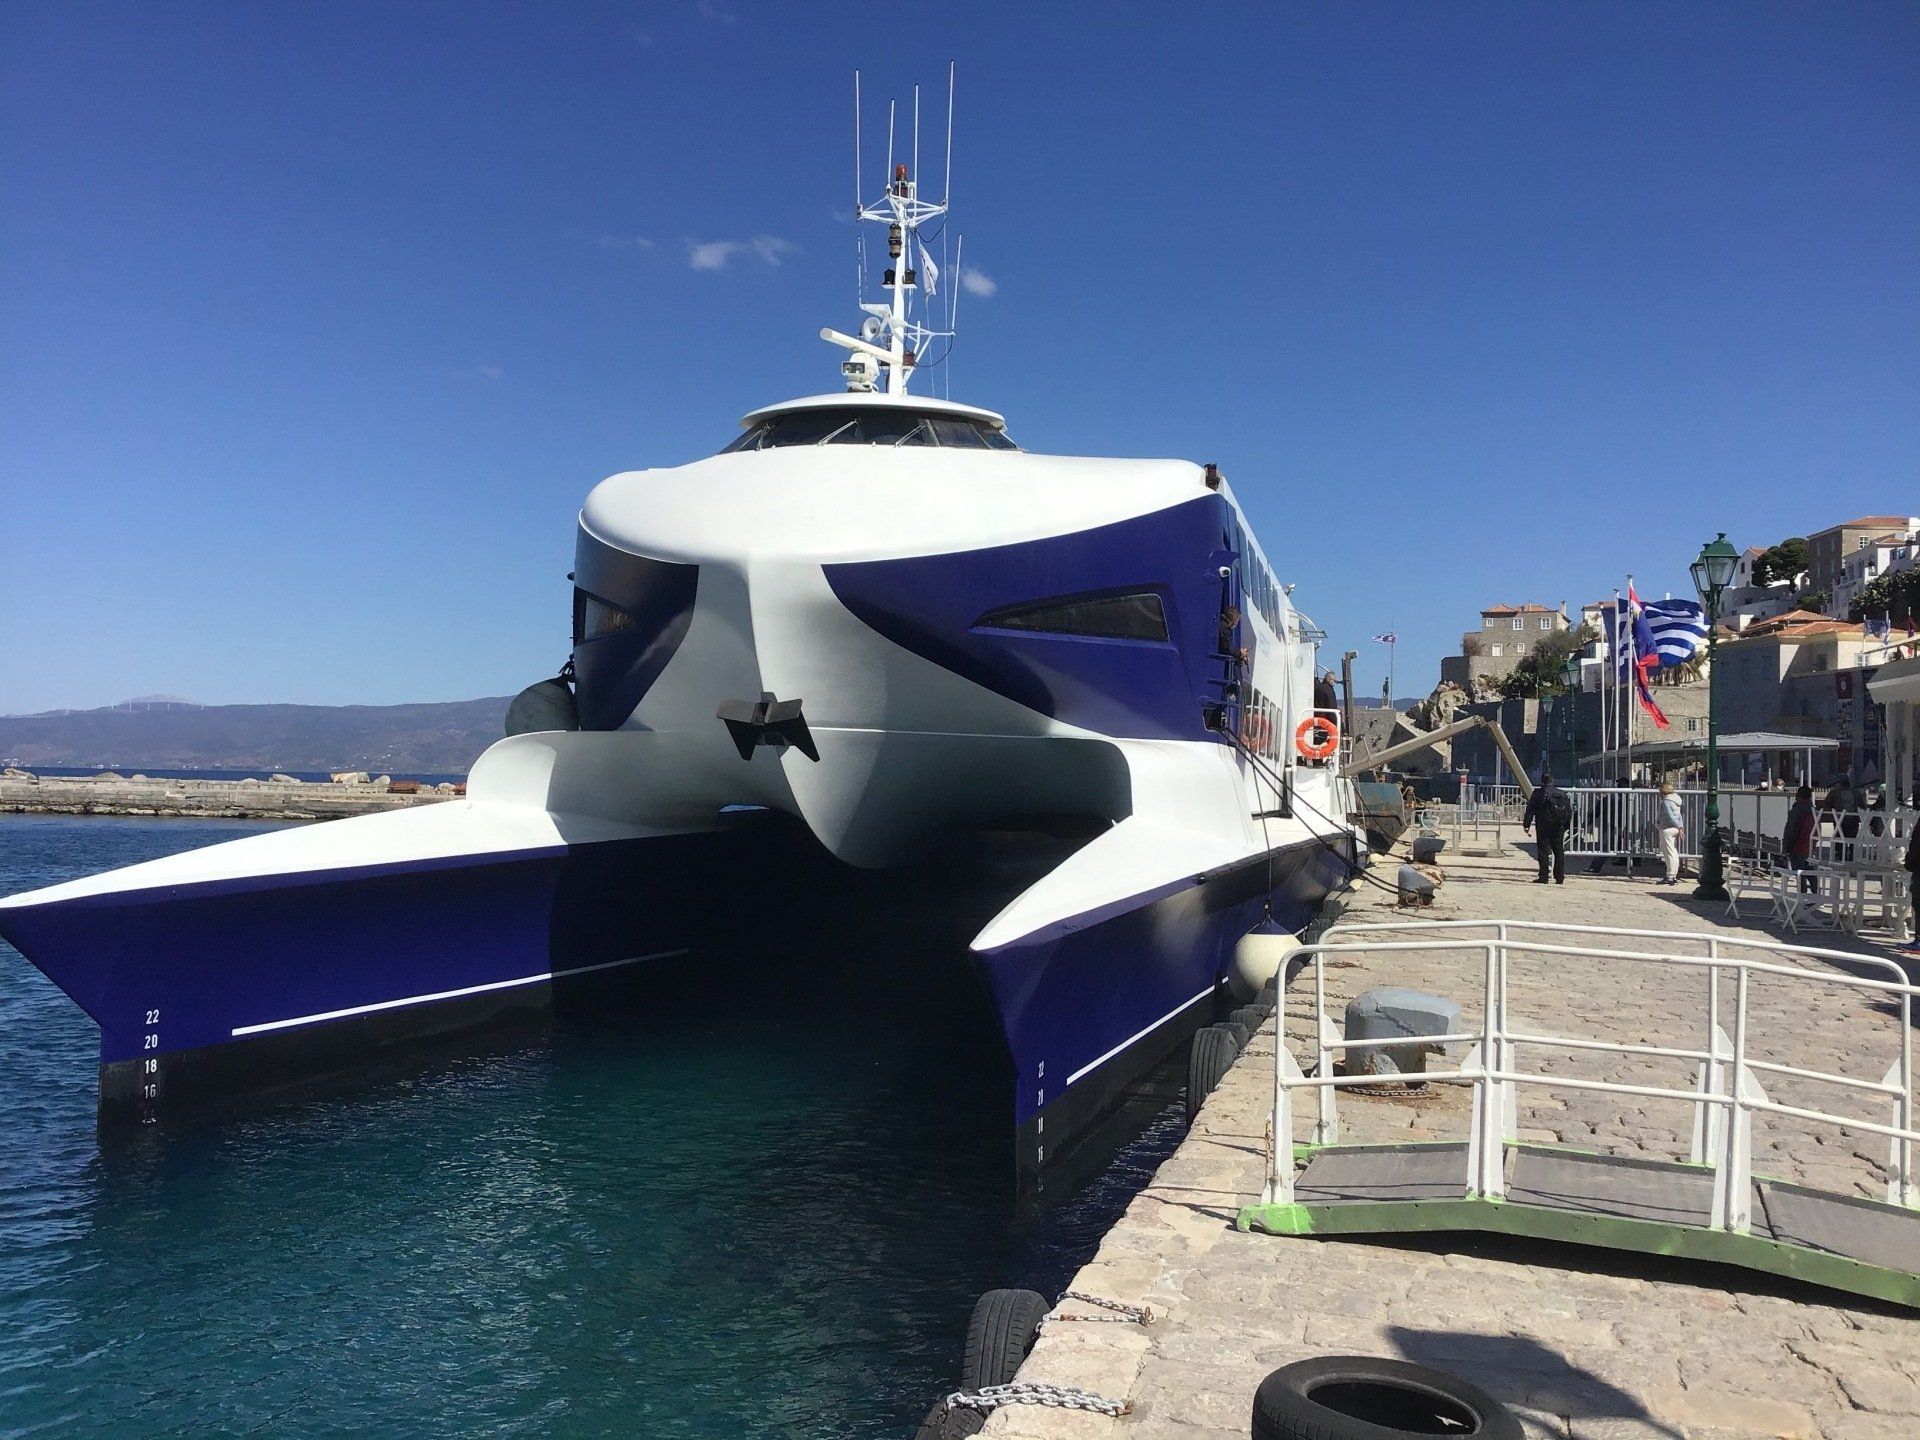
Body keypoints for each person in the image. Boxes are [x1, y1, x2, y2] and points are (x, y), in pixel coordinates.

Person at [1522, 771, 1572, 885]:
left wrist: (1526, 824)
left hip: (1543, 826)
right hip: (1558, 826)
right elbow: (1568, 811)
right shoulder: (1562, 794)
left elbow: (1530, 809)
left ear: (1542, 782)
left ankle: (1544, 876)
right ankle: (1559, 877)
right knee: (1559, 851)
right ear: (1553, 781)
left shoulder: (1538, 793)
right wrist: (1566, 826)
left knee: (1543, 851)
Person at [1784, 784, 1818, 893]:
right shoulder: (1813, 810)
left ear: (1798, 796)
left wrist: (1787, 847)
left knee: (1799, 874)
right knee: (1809, 871)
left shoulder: (1797, 810)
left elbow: (1791, 830)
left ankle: (1802, 897)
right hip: (1810, 845)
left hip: (1798, 846)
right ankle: (1815, 894)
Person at [1655, 779, 1685, 886]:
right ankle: (1673, 875)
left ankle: (1670, 875)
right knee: (1673, 852)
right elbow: (1679, 816)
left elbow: (1670, 816)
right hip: (1675, 828)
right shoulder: (1676, 800)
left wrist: (1676, 825)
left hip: (1667, 828)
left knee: (1668, 853)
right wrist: (1680, 827)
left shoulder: (1666, 801)